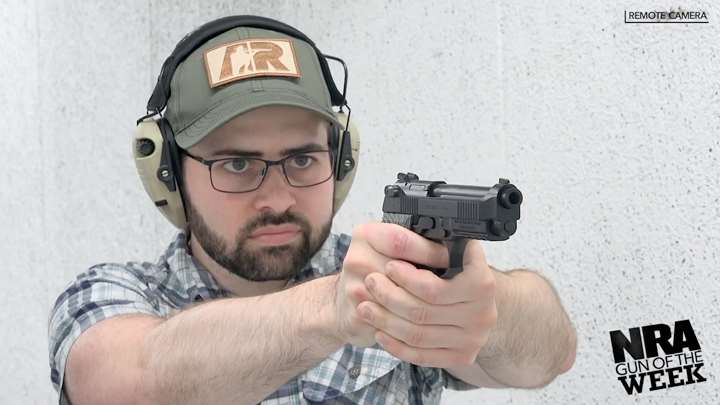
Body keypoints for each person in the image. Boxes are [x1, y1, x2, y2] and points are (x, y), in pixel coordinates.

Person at [48, 15, 576, 405]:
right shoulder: (112, 296)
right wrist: (334, 310)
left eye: (302, 158)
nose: (277, 197)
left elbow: (550, 353)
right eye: (236, 164)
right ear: (169, 175)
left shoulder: (396, 281)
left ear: (341, 161)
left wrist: (486, 307)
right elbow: (125, 381)